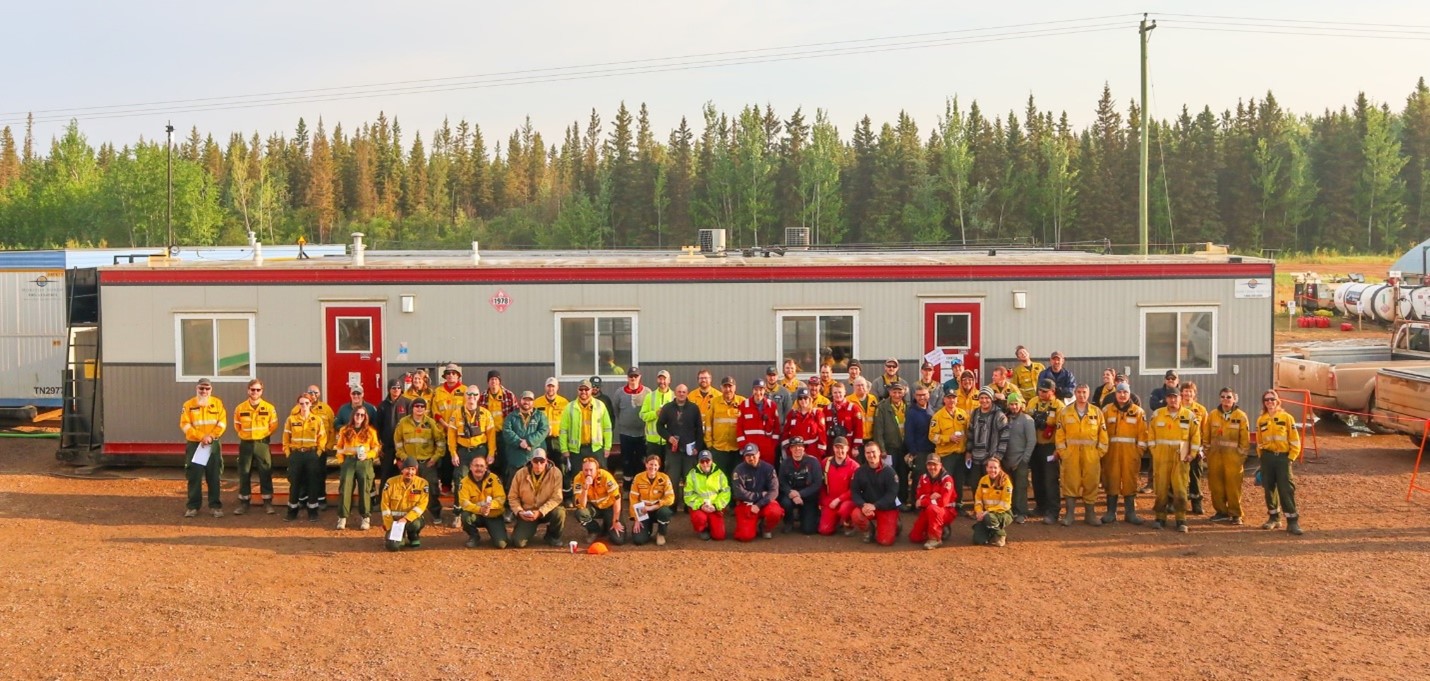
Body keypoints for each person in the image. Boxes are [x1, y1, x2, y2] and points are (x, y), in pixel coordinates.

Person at [1144, 390, 1201, 532]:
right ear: (1166, 399)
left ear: (1181, 398)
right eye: (1170, 397)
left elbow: (1195, 436)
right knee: (1161, 488)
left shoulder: (1189, 416)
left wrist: (1192, 454)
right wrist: (1154, 451)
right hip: (1162, 455)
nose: (1172, 400)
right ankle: (1160, 517)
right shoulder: (1158, 414)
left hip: (1181, 454)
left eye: (1175, 397)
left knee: (1180, 489)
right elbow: (1151, 435)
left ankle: (1181, 519)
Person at [1054, 384, 1108, 527]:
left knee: (1091, 483)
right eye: (1079, 392)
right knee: (1070, 482)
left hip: (1091, 456)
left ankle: (1090, 515)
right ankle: (1069, 515)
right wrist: (1063, 452)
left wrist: (1098, 453)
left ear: (1088, 394)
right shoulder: (1065, 412)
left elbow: (1103, 436)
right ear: (1075, 393)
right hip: (1070, 455)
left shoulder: (1097, 412)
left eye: (1084, 392)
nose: (1081, 395)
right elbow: (1059, 435)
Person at [446, 390, 496, 527]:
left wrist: (491, 452)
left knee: (483, 480)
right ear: (465, 396)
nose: (471, 398)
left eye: (474, 395)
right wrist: (453, 453)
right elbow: (451, 435)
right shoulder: (456, 414)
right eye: (469, 395)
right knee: (459, 480)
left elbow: (491, 435)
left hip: (480, 450)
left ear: (478, 397)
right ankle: (458, 513)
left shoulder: (485, 414)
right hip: (463, 452)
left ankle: (483, 510)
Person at [1257, 390, 1304, 535]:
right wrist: (1262, 457)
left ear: (1278, 401)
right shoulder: (1261, 420)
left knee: (1286, 489)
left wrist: (1291, 457)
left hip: (1283, 458)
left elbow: (1295, 439)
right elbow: (1259, 440)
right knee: (1269, 488)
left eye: (1272, 399)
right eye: (1266, 400)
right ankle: (1273, 518)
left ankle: (1292, 521)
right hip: (1267, 458)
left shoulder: (1287, 417)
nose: (1269, 402)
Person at [1100, 382, 1147, 525]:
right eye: (1119, 392)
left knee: (1130, 480)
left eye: (1125, 392)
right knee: (1111, 479)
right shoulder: (1107, 410)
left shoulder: (1138, 412)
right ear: (1115, 394)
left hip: (1130, 454)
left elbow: (1143, 435)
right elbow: (1101, 432)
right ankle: (1110, 513)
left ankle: (1130, 513)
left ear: (1129, 394)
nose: (1122, 395)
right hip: (1111, 454)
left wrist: (1138, 452)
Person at [181, 378, 228, 518]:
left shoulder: (217, 403)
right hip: (195, 444)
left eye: (207, 388)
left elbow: (222, 423)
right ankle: (193, 507)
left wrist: (211, 437)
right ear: (197, 389)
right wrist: (201, 436)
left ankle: (215, 506)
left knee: (214, 476)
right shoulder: (188, 405)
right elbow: (185, 425)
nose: (204, 391)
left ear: (211, 389)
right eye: (201, 388)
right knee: (194, 476)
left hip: (212, 444)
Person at [1204, 388, 1252, 525]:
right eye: (1223, 397)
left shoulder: (1241, 416)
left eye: (1229, 397)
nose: (1226, 399)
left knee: (1233, 487)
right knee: (1216, 486)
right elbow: (1206, 436)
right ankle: (1221, 512)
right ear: (1220, 399)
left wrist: (1240, 457)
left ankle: (1236, 514)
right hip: (1215, 458)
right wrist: (1207, 452)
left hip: (1233, 459)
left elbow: (1245, 440)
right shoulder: (1213, 415)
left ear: (1234, 399)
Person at [393, 398, 443, 524]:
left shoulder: (430, 423)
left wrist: (434, 458)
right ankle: (408, 514)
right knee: (408, 489)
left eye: (422, 406)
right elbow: (398, 442)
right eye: (417, 406)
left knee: (431, 488)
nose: (419, 408)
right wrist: (403, 457)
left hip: (426, 462)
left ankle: (435, 513)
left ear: (425, 409)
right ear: (412, 408)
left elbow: (440, 442)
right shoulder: (403, 423)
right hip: (409, 464)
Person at [657, 383, 705, 511]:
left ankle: (689, 506)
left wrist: (698, 447)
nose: (681, 394)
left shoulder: (694, 408)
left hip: (690, 451)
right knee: (672, 479)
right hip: (673, 451)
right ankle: (672, 506)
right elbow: (659, 426)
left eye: (684, 392)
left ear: (687, 393)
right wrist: (669, 437)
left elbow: (699, 429)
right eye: (679, 391)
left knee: (690, 480)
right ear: (675, 393)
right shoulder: (667, 408)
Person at [232, 378, 278, 515]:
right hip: (246, 443)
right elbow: (237, 425)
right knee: (244, 472)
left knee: (265, 471)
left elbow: (273, 425)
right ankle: (244, 502)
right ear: (248, 391)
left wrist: (262, 435)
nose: (255, 392)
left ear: (262, 391)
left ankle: (268, 502)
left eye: (258, 390)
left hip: (262, 443)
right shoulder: (240, 408)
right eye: (253, 389)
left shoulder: (269, 408)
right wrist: (245, 435)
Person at [290, 384, 338, 511]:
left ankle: (321, 499)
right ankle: (303, 499)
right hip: (300, 450)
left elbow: (332, 429)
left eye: (316, 392)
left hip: (319, 449)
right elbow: (290, 430)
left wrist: (329, 445)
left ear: (319, 394)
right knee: (302, 475)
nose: (313, 394)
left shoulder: (326, 409)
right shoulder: (296, 409)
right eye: (310, 392)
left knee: (319, 474)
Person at [557, 380, 611, 491]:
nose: (584, 392)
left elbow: (607, 428)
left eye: (586, 389)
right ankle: (579, 501)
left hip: (596, 448)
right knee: (578, 476)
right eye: (581, 389)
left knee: (600, 474)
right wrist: (564, 449)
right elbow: (563, 430)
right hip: (577, 450)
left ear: (591, 390)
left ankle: (598, 498)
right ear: (577, 390)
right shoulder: (570, 407)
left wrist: (607, 447)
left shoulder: (600, 406)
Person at [333, 406, 381, 530]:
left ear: (365, 417)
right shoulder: (344, 430)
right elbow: (339, 448)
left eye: (362, 415)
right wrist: (341, 461)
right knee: (345, 489)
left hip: (364, 463)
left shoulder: (371, 431)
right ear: (353, 416)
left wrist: (368, 455)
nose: (359, 417)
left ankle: (365, 517)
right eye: (357, 414)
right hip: (348, 462)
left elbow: (376, 447)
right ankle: (342, 517)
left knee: (365, 490)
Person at [508, 448, 566, 547]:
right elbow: (512, 497)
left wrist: (540, 512)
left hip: (547, 510)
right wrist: (519, 511)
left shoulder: (556, 473)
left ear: (546, 461)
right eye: (536, 461)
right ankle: (525, 529)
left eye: (542, 461)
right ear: (531, 461)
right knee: (518, 543)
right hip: (528, 512)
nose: (539, 464)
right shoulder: (520, 473)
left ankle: (552, 536)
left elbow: (557, 498)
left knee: (560, 512)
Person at [282, 392, 326, 522]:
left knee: (312, 483)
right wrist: (288, 454)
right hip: (296, 455)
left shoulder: (317, 420)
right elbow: (285, 438)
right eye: (301, 403)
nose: (304, 406)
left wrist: (318, 453)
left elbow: (322, 438)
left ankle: (312, 512)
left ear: (310, 404)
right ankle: (292, 512)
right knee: (294, 483)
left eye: (306, 403)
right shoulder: (291, 420)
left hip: (311, 454)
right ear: (298, 404)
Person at [964, 387, 1010, 508]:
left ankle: (991, 510)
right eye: (982, 398)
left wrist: (997, 457)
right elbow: (970, 434)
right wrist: (968, 451)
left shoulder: (999, 415)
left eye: (987, 398)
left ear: (992, 399)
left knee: (992, 485)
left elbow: (1005, 437)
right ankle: (978, 508)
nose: (984, 400)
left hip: (991, 457)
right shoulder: (975, 413)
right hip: (975, 456)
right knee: (975, 483)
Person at [1028, 379, 1066, 524]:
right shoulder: (1032, 402)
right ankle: (1040, 506)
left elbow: (1062, 430)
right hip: (1035, 446)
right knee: (1037, 478)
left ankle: (1053, 511)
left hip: (1050, 446)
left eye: (1045, 391)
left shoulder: (1059, 406)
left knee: (1050, 479)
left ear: (1053, 391)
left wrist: (1058, 449)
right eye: (1040, 390)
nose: (1041, 393)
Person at [850, 442, 900, 545]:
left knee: (885, 541)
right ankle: (869, 530)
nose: (871, 455)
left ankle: (897, 524)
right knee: (856, 514)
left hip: (887, 508)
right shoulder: (859, 471)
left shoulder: (889, 472)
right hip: (868, 508)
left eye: (873, 452)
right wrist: (862, 505)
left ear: (879, 453)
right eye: (868, 452)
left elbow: (892, 495)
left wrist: (875, 505)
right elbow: (854, 492)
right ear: (864, 454)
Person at [731, 443, 784, 541]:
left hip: (764, 503)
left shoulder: (768, 468)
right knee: (745, 537)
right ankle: (751, 525)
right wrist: (760, 495)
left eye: (753, 455)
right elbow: (739, 493)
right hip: (746, 504)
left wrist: (759, 504)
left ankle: (765, 528)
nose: (751, 458)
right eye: (747, 455)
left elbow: (774, 491)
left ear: (758, 454)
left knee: (775, 512)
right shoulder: (738, 470)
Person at [456, 457, 509, 548]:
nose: (479, 468)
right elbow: (464, 502)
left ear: (486, 468)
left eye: (481, 466)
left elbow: (501, 498)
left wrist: (489, 506)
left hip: (493, 514)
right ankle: (474, 536)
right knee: (465, 516)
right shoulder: (464, 482)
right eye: (476, 466)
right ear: (470, 467)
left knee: (501, 545)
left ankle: (496, 534)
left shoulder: (494, 479)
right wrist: (480, 509)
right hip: (476, 515)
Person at [503, 389, 551, 489]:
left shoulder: (540, 416)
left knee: (536, 483)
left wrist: (529, 441)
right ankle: (512, 502)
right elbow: (507, 431)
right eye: (525, 399)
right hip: (516, 456)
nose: (527, 402)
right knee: (514, 483)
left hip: (534, 455)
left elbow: (544, 430)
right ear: (520, 400)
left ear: (533, 402)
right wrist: (519, 442)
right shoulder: (511, 416)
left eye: (530, 400)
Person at [572, 457, 625, 545]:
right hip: (594, 507)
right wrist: (585, 489)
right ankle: (594, 530)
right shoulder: (578, 478)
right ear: (582, 469)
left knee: (618, 540)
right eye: (586, 470)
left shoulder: (606, 476)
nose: (588, 473)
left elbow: (617, 499)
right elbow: (581, 505)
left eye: (591, 470)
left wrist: (615, 521)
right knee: (580, 512)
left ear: (597, 470)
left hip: (609, 507)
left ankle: (607, 525)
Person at [929, 392, 970, 505]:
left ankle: (958, 504)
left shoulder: (963, 414)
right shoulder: (937, 416)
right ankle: (947, 504)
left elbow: (969, 433)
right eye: (949, 398)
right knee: (947, 481)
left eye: (954, 398)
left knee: (959, 481)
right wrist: (948, 438)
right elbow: (932, 436)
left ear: (957, 400)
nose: (951, 400)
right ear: (944, 400)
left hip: (960, 453)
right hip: (946, 455)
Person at [611, 367, 650, 486]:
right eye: (631, 376)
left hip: (642, 434)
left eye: (636, 376)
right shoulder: (619, 393)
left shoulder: (647, 392)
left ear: (640, 377)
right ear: (627, 377)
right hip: (625, 434)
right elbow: (616, 410)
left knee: (641, 462)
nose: (633, 379)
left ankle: (640, 488)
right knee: (626, 462)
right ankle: (627, 489)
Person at [380, 457, 429, 551]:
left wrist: (406, 519)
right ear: (402, 469)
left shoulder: (423, 483)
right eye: (407, 469)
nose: (410, 472)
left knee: (415, 524)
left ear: (416, 470)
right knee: (393, 547)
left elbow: (422, 505)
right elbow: (384, 505)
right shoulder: (390, 482)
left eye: (413, 469)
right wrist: (390, 526)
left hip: (410, 520)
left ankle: (413, 536)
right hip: (395, 522)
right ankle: (400, 538)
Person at [777, 437, 824, 535]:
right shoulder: (785, 463)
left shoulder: (813, 462)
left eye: (799, 446)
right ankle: (789, 521)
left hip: (808, 496)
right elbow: (782, 482)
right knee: (785, 502)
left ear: (804, 448)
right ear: (790, 449)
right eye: (794, 446)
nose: (797, 449)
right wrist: (791, 493)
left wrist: (800, 494)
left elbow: (817, 483)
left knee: (808, 530)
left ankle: (808, 516)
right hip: (791, 496)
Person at [909, 454, 956, 550]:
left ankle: (935, 539)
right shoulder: (923, 477)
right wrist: (931, 497)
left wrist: (924, 501)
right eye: (929, 464)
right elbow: (918, 496)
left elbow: (942, 502)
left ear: (940, 465)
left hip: (946, 511)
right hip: (928, 510)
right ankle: (939, 529)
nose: (932, 467)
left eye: (935, 464)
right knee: (914, 537)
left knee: (932, 508)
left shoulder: (947, 479)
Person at [1003, 392, 1036, 524]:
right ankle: (1010, 511)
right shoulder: (1006, 419)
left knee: (1021, 487)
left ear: (1021, 404)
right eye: (1011, 404)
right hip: (1007, 460)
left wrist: (1024, 459)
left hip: (1021, 460)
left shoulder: (1027, 420)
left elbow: (1031, 441)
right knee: (1009, 487)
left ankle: (1022, 512)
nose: (1014, 406)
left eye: (1016, 404)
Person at [629, 454, 676, 546]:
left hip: (657, 508)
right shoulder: (638, 478)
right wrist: (636, 518)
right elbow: (633, 499)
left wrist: (654, 506)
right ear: (646, 464)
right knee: (638, 540)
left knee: (665, 512)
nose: (653, 467)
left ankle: (661, 534)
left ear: (659, 466)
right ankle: (647, 530)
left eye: (655, 465)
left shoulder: (664, 478)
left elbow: (670, 498)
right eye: (650, 464)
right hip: (642, 510)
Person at [684, 450, 731, 540]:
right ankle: (703, 529)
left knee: (719, 536)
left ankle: (711, 525)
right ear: (699, 462)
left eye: (707, 461)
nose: (705, 464)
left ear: (712, 461)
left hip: (714, 507)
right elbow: (688, 495)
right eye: (702, 461)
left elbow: (726, 493)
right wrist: (701, 505)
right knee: (699, 518)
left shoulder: (720, 474)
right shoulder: (692, 475)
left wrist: (716, 506)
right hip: (700, 507)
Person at [374, 379, 412, 490]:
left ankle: (403, 500)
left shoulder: (407, 403)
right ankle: (383, 499)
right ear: (389, 389)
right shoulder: (382, 406)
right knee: (386, 473)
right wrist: (379, 445)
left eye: (398, 388)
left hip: (403, 446)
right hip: (387, 446)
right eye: (393, 388)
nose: (396, 390)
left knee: (405, 473)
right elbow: (377, 427)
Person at [818, 436, 860, 536]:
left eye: (842, 447)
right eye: (837, 447)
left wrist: (839, 499)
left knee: (844, 509)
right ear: (833, 448)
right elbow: (821, 485)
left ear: (847, 449)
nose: (839, 450)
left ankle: (849, 524)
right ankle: (836, 522)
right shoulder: (825, 463)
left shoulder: (854, 466)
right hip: (830, 500)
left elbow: (855, 489)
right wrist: (824, 501)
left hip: (847, 501)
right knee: (824, 530)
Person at [481, 370, 517, 483]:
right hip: (488, 434)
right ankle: (491, 487)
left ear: (500, 381)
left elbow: (515, 415)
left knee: (505, 461)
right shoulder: (482, 397)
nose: (494, 382)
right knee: (490, 462)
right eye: (491, 379)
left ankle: (506, 489)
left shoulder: (509, 395)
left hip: (504, 434)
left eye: (496, 379)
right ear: (488, 382)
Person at [901, 384, 934, 508]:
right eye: (919, 395)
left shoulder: (931, 410)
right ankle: (915, 503)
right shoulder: (911, 413)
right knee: (918, 478)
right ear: (914, 396)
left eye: (924, 395)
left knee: (929, 478)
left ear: (928, 395)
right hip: (919, 451)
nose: (922, 397)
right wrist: (913, 452)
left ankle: (926, 502)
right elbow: (909, 434)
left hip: (931, 450)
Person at [1179, 381, 1209, 515]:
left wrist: (1203, 448)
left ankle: (1196, 503)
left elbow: (1206, 430)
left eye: (1190, 391)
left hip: (1196, 447)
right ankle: (1179, 503)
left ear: (1194, 393)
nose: (1187, 393)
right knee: (1179, 475)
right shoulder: (1176, 407)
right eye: (1185, 391)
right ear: (1181, 393)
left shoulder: (1201, 410)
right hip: (1180, 446)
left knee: (1195, 475)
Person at [705, 376, 745, 477]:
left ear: (735, 387)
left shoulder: (742, 402)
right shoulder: (714, 402)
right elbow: (708, 423)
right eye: (725, 387)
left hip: (736, 449)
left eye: (730, 386)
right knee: (719, 478)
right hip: (719, 449)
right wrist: (709, 444)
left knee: (736, 478)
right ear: (721, 388)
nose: (728, 389)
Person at [737, 378, 781, 468]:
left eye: (761, 389)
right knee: (749, 472)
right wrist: (744, 445)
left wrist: (772, 445)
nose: (758, 392)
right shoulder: (744, 405)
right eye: (756, 389)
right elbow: (739, 428)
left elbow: (777, 428)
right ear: (752, 390)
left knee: (768, 472)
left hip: (767, 449)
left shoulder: (771, 405)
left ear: (764, 390)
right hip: (750, 448)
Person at [972, 458, 1014, 547]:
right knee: (978, 540)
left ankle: (1001, 535)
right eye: (990, 467)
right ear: (986, 468)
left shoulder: (1005, 481)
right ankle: (991, 532)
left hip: (1003, 513)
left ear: (999, 468)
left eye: (995, 468)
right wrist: (979, 511)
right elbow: (978, 498)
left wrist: (988, 511)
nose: (993, 470)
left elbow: (1005, 504)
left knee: (989, 518)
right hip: (986, 514)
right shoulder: (983, 480)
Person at [640, 369, 675, 463]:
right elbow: (642, 415)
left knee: (668, 469)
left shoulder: (674, 397)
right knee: (653, 468)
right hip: (653, 442)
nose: (662, 382)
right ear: (657, 380)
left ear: (669, 380)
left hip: (669, 441)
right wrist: (655, 413)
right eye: (660, 379)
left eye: (664, 379)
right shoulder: (649, 396)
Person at [783, 388, 828, 461]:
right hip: (796, 450)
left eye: (805, 398)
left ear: (810, 399)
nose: (803, 400)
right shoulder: (792, 414)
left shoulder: (817, 413)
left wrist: (821, 450)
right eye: (800, 398)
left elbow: (822, 433)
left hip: (812, 450)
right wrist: (788, 448)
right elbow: (785, 432)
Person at [824, 382, 865, 457]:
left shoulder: (853, 408)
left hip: (848, 446)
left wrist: (855, 447)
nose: (838, 395)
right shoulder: (827, 409)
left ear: (845, 392)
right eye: (835, 392)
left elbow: (859, 429)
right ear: (832, 393)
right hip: (832, 447)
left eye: (840, 392)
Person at [532, 377, 569, 458]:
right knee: (541, 463)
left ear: (557, 387)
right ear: (545, 387)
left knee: (560, 465)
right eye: (548, 386)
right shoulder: (536, 403)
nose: (550, 389)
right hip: (541, 440)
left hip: (558, 440)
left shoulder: (564, 403)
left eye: (553, 386)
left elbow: (568, 423)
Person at [849, 377, 878, 450]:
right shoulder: (848, 400)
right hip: (857, 438)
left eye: (862, 385)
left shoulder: (873, 399)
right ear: (854, 387)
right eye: (858, 385)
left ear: (866, 386)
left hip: (872, 437)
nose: (860, 387)